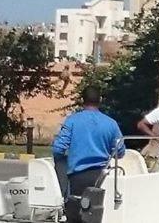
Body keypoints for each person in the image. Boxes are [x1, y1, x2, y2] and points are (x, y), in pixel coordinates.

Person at [52, 86, 124, 223]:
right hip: (103, 176)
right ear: (100, 100)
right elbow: (119, 152)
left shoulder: (72, 121)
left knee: (77, 215)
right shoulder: (111, 123)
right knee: (99, 215)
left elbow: (58, 149)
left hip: (78, 176)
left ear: (82, 100)